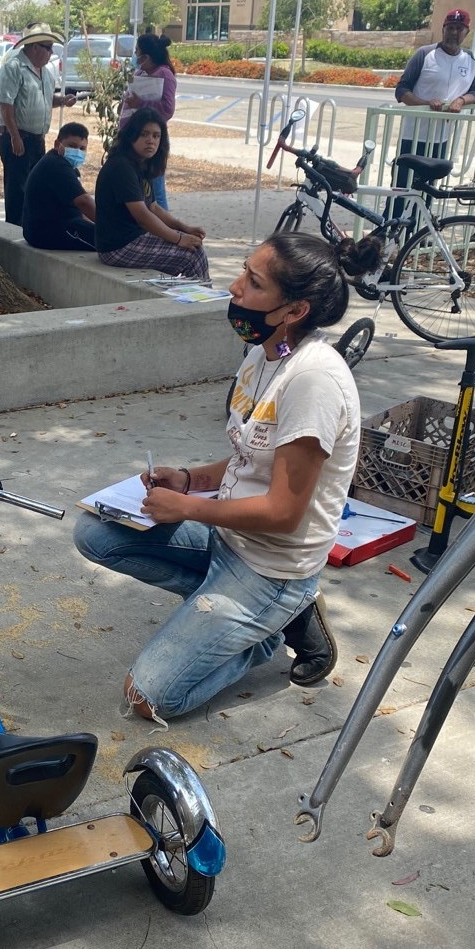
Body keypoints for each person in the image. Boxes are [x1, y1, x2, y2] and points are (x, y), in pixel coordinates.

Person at [73, 232, 366, 722]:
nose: (234, 287)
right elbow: (252, 457)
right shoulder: (266, 352)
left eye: (253, 282)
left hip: (271, 570)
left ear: (294, 310)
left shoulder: (313, 381)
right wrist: (189, 480)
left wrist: (187, 509)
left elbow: (283, 512)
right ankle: (242, 618)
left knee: (146, 698)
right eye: (243, 272)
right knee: (96, 533)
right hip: (227, 538)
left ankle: (271, 628)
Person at [94, 107, 210, 281]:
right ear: (131, 135)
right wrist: (178, 238)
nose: (150, 141)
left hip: (134, 240)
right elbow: (142, 215)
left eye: (156, 136)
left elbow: (153, 207)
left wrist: (183, 227)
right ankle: (202, 305)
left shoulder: (141, 164)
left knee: (193, 248)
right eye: (144, 134)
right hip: (119, 248)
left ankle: (190, 299)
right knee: (192, 255)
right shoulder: (121, 167)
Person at [392, 7, 475, 199]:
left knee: (429, 189)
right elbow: (401, 90)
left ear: (467, 32)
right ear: (443, 29)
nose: (454, 33)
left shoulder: (469, 59)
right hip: (414, 134)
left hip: (442, 137)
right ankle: (392, 225)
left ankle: (420, 227)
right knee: (401, 187)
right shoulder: (425, 54)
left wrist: (461, 100)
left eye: (459, 28)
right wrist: (425, 104)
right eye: (450, 28)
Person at [0, 25, 77, 226]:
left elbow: (45, 100)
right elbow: (6, 105)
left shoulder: (46, 73)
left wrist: (62, 100)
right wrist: (14, 136)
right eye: (48, 47)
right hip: (18, 137)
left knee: (35, 186)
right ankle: (15, 231)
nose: (51, 53)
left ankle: (31, 226)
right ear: (34, 48)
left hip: (37, 138)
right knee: (17, 189)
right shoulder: (14, 67)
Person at [118, 33, 178, 209]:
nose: (135, 56)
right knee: (139, 186)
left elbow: (168, 109)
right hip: (132, 134)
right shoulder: (141, 72)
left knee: (155, 189)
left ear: (147, 56)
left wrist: (141, 103)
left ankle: (166, 231)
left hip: (150, 137)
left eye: (138, 52)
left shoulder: (164, 75)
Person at [21, 120, 96, 250]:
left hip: (62, 224)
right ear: (57, 144)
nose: (77, 152)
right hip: (48, 233)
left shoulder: (61, 163)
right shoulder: (56, 166)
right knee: (111, 242)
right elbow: (84, 202)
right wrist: (110, 226)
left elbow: (81, 207)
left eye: (82, 148)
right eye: (72, 146)